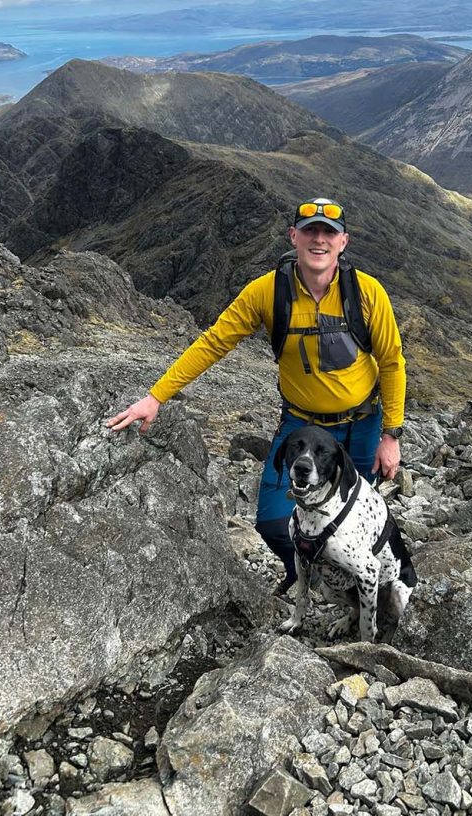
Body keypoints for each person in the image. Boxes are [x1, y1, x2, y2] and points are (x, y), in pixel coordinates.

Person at [107, 197, 406, 590]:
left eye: (328, 233)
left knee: (351, 521)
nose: (319, 240)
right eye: (311, 231)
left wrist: (391, 434)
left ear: (343, 242)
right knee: (271, 520)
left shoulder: (367, 293)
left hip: (361, 428)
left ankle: (346, 590)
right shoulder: (267, 292)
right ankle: (305, 578)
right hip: (300, 424)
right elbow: (214, 342)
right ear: (293, 236)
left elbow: (391, 362)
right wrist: (156, 397)